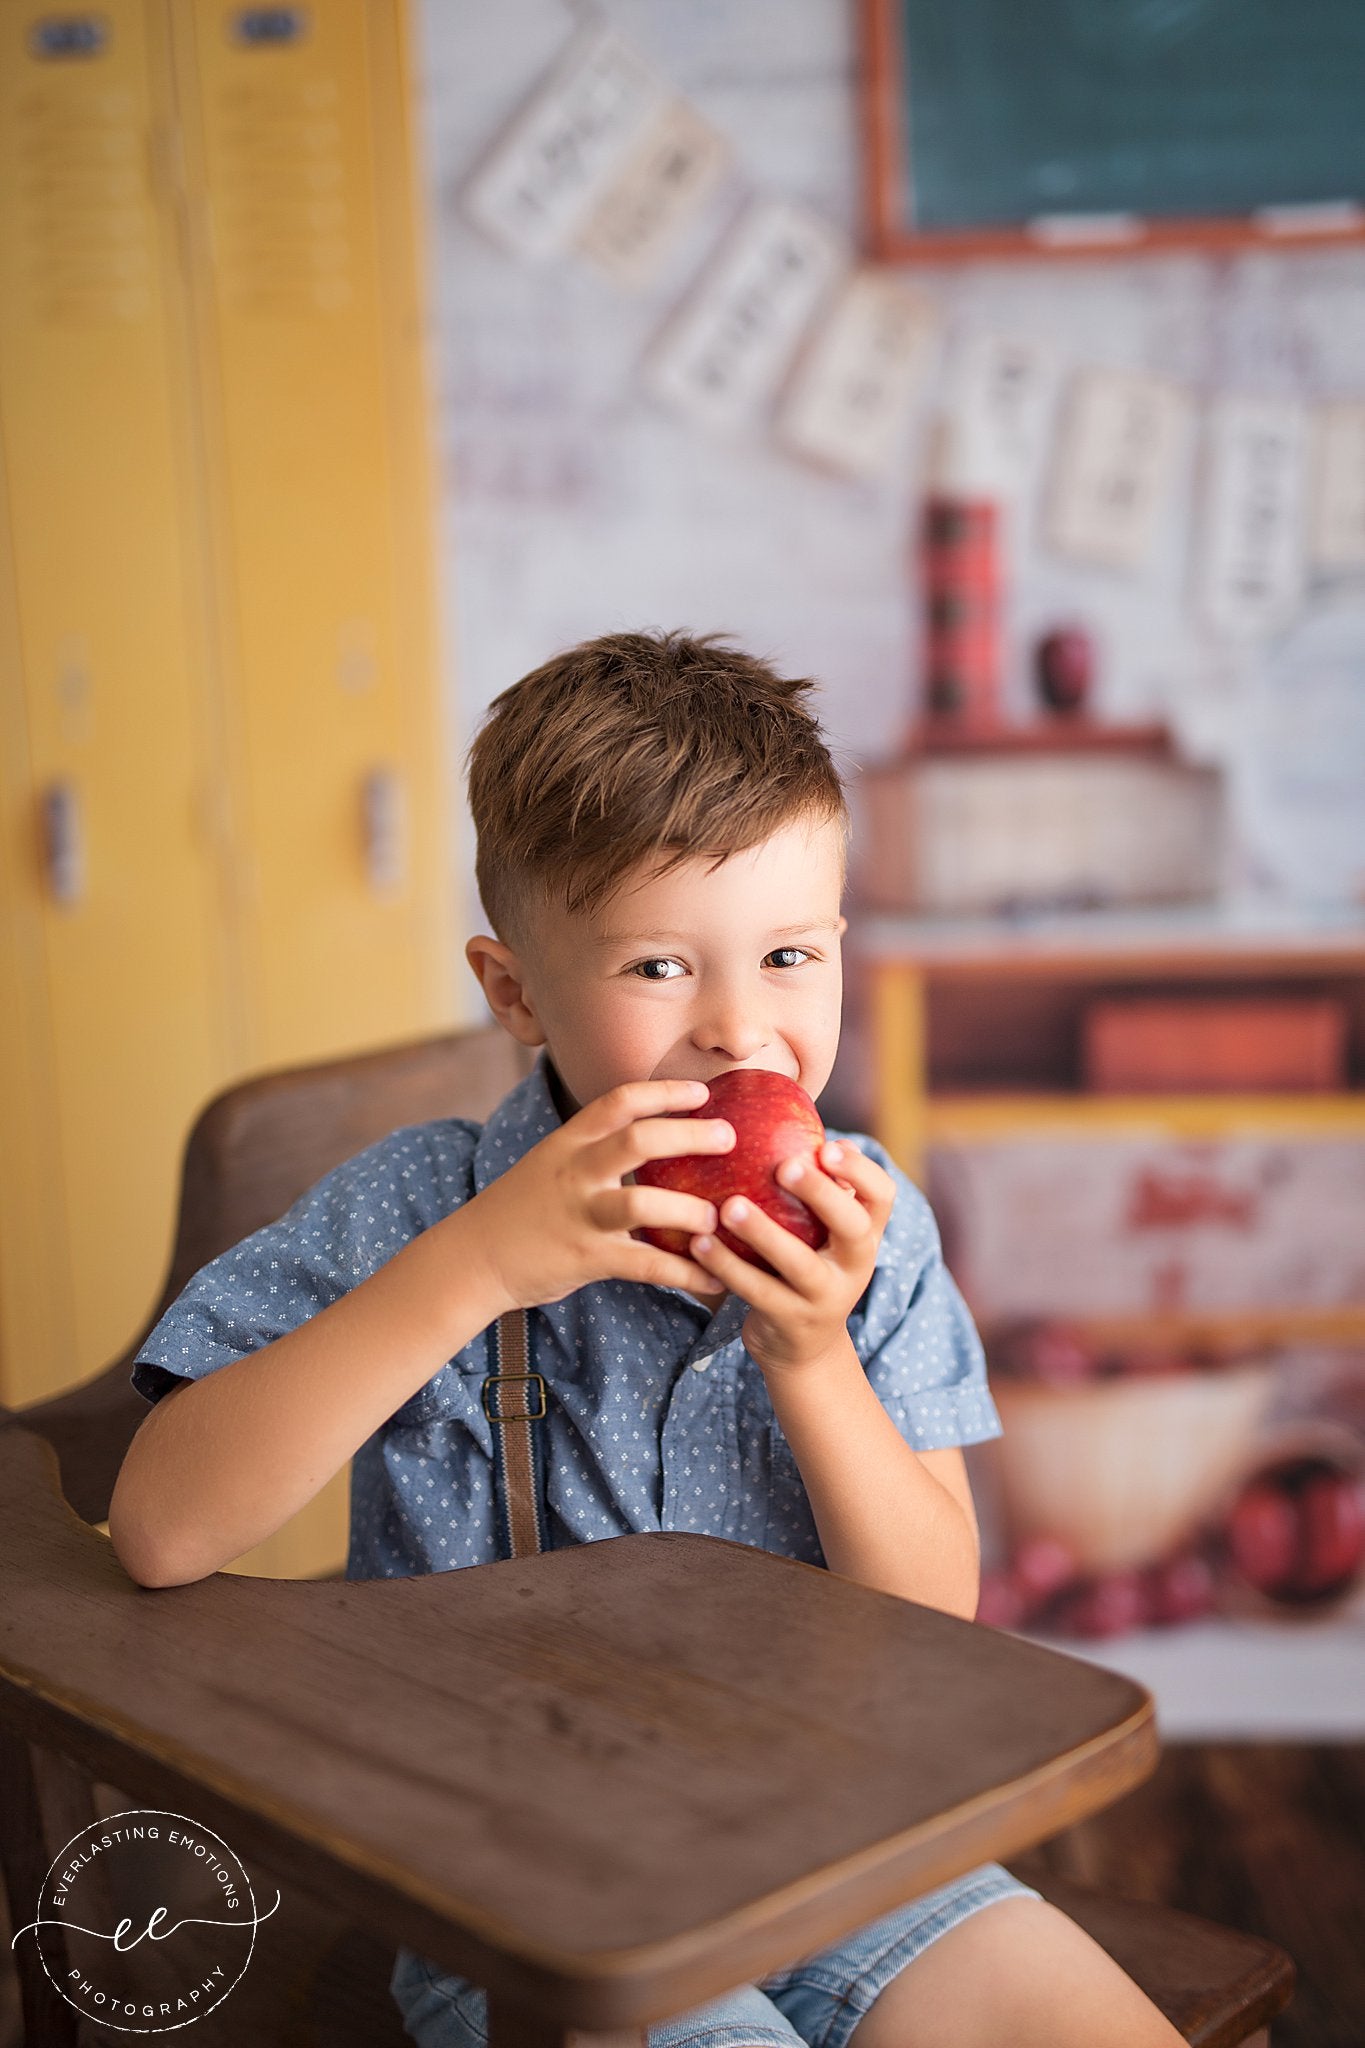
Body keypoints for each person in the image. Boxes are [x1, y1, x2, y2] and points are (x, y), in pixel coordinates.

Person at [110, 630, 1183, 2048]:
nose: (741, 1033)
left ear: (840, 950)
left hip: (838, 1832)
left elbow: (928, 1623)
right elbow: (163, 1532)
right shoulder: (422, 1205)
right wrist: (473, 1268)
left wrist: (811, 1356)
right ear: (514, 993)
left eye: (788, 956)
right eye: (662, 966)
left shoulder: (871, 1229)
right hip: (517, 1882)